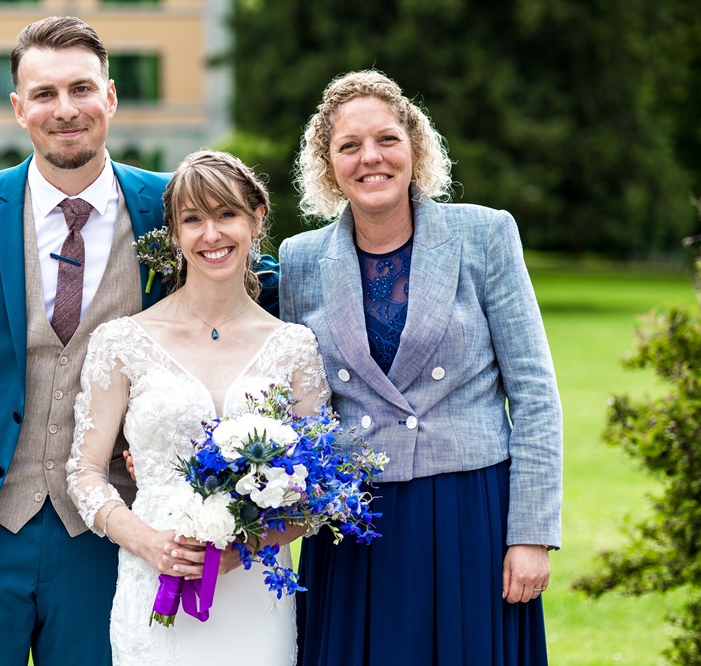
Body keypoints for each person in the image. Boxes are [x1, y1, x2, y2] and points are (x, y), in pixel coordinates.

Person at [0, 16, 192, 664]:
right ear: (20, 109)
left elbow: (244, 276)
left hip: (110, 527)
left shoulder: (169, 206)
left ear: (109, 96)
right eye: (45, 94)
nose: (66, 109)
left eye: (81, 89)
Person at [279, 69, 563, 665]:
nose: (370, 158)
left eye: (386, 139)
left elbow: (534, 393)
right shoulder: (300, 260)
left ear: (416, 146)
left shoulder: (485, 234)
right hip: (356, 523)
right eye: (349, 146)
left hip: (471, 511)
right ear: (328, 166)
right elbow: (286, 391)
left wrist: (531, 535)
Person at [66, 150, 329, 666]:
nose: (211, 234)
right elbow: (84, 470)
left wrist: (250, 545)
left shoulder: (294, 346)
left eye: (226, 214)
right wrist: (145, 542)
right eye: (193, 219)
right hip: (153, 583)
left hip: (254, 591)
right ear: (174, 233)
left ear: (257, 220)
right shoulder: (123, 341)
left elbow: (320, 489)